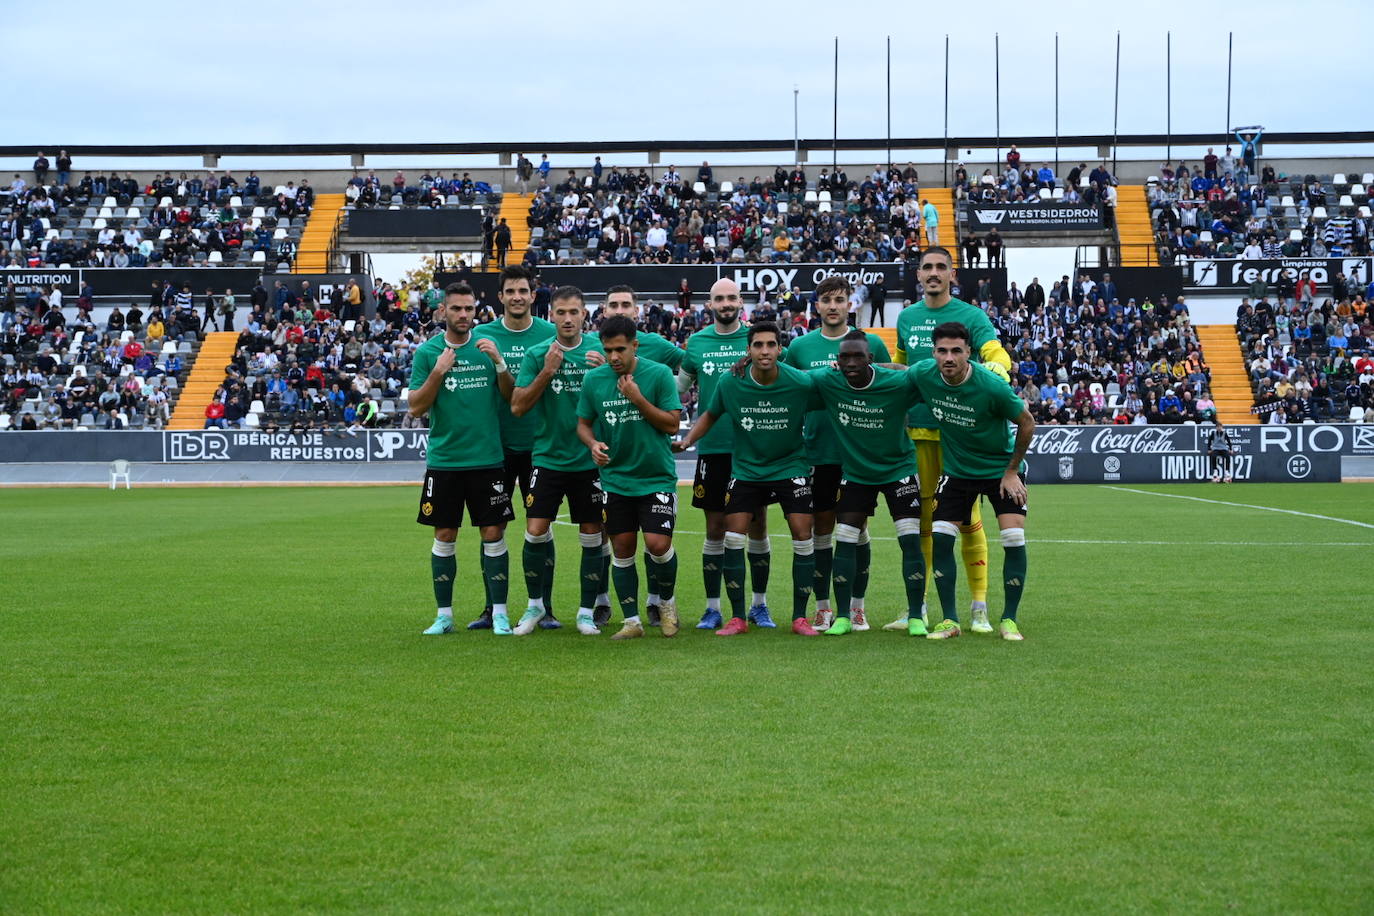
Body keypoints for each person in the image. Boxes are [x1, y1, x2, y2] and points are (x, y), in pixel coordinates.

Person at [889, 246, 1014, 634]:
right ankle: (921, 608)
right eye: (927, 267)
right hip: (919, 432)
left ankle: (979, 608)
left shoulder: (972, 316)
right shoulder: (907, 317)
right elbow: (901, 367)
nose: (934, 273)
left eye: (941, 267)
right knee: (926, 521)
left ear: (952, 275)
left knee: (966, 520)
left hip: (962, 434)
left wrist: (996, 365)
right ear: (918, 275)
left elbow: (996, 354)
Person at [675, 322, 821, 636]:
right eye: (758, 345)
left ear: (780, 349)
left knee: (802, 531)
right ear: (749, 349)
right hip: (747, 470)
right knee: (732, 534)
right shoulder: (731, 382)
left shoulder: (801, 382)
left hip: (789, 466)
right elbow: (711, 414)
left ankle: (800, 618)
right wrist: (687, 441)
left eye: (771, 345)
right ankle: (737, 617)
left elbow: (837, 391)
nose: (765, 351)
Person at [904, 321, 1036, 641]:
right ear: (933, 352)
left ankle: (1009, 619)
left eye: (956, 351)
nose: (949, 358)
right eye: (942, 351)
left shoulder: (990, 385)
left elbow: (1026, 421)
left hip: (999, 469)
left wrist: (1011, 472)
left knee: (1013, 539)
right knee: (941, 537)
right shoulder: (925, 373)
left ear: (968, 353)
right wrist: (860, 364)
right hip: (958, 472)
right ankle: (950, 621)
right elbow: (895, 369)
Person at [782, 275, 890, 631]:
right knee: (822, 530)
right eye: (826, 300)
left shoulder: (871, 342)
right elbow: (780, 384)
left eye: (839, 299)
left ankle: (857, 607)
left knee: (856, 529)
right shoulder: (800, 348)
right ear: (817, 306)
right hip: (819, 452)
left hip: (858, 453)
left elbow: (890, 388)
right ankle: (824, 607)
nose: (833, 306)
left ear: (850, 304)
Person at [408, 282, 517, 636]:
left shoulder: (487, 348)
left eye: (469, 309)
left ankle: (499, 612)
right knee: (444, 533)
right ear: (443, 312)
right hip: (445, 460)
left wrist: (500, 363)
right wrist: (439, 371)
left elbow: (511, 398)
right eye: (456, 309)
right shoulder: (428, 353)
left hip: (487, 458)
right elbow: (416, 406)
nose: (464, 315)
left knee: (493, 532)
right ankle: (444, 615)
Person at [511, 286, 617, 635]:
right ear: (551, 315)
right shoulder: (538, 354)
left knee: (592, 533)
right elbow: (518, 406)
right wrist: (547, 371)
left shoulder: (600, 353)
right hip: (547, 458)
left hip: (589, 461)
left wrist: (609, 376)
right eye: (561, 312)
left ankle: (586, 612)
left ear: (585, 314)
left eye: (574, 312)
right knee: (535, 530)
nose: (568, 318)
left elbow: (621, 401)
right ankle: (535, 606)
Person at [808, 331, 927, 636]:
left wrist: (894, 368)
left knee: (909, 540)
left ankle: (916, 616)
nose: (850, 363)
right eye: (844, 356)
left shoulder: (895, 383)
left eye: (857, 356)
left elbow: (928, 373)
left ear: (871, 359)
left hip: (898, 468)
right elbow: (789, 376)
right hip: (857, 474)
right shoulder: (829, 380)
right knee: (845, 538)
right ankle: (845, 617)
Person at [576, 315, 683, 639]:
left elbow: (672, 425)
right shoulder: (594, 380)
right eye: (608, 350)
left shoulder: (659, 374)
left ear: (635, 346)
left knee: (657, 544)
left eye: (620, 349)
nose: (613, 357)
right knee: (622, 548)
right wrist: (593, 443)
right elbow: (582, 423)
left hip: (656, 478)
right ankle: (632, 621)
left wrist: (637, 398)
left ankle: (666, 603)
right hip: (616, 480)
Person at [468, 265, 558, 629]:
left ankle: (545, 608)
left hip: (542, 448)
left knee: (541, 528)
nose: (518, 296)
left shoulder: (552, 334)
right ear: (500, 297)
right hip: (496, 449)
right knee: (492, 529)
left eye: (524, 290)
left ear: (532, 296)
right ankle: (493, 608)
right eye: (511, 291)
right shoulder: (481, 336)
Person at [680, 278, 773, 629]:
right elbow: (678, 389)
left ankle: (759, 605)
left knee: (758, 525)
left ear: (741, 301)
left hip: (753, 449)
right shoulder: (698, 343)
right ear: (709, 303)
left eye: (731, 297)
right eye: (719, 298)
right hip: (714, 450)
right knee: (715, 527)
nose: (725, 303)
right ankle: (712, 607)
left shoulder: (756, 341)